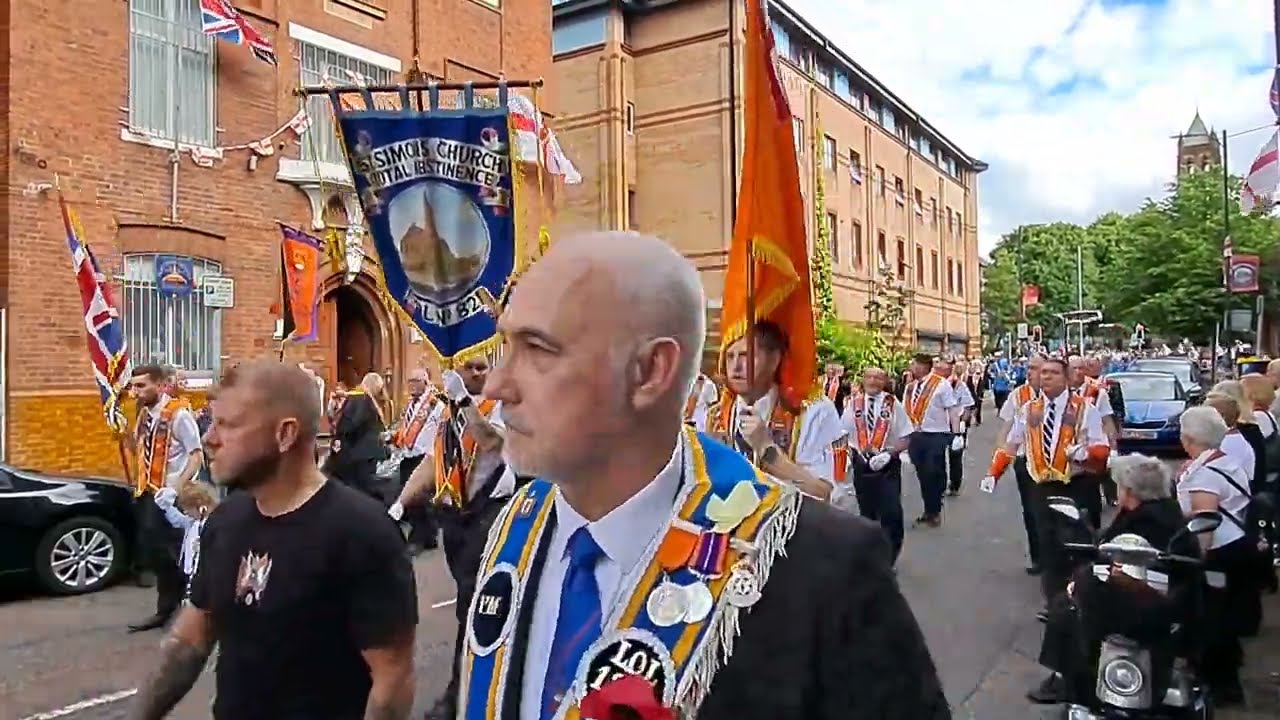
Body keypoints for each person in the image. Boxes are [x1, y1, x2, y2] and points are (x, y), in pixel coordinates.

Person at [456, 231, 948, 719]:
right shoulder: (501, 538)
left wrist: (771, 457)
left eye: (539, 349)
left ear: (650, 372)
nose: (498, 385)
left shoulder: (825, 572)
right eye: (505, 346)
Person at [126, 360, 418, 720]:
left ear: (285, 434)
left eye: (227, 425)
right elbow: (189, 640)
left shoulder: (362, 532)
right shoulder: (226, 520)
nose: (209, 438)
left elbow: (391, 680)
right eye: (212, 422)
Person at [1027, 455, 1201, 704]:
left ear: (1129, 491)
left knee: (1066, 607)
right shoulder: (1162, 511)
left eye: (1118, 485)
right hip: (1166, 601)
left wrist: (1084, 580)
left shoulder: (1145, 521)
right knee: (1071, 597)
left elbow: (1123, 562)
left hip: (1147, 604)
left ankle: (1071, 679)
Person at [394, 356, 512, 720]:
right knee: (467, 600)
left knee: (471, 604)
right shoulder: (444, 415)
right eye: (469, 368)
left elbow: (493, 442)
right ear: (455, 370)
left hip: (490, 515)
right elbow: (432, 461)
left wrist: (464, 402)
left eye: (482, 368)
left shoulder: (501, 406)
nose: (478, 374)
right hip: (454, 517)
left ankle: (461, 694)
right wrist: (399, 506)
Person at [984, 356, 1110, 609]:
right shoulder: (1029, 410)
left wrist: (1086, 453)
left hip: (1077, 484)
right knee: (1049, 544)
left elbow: (1102, 448)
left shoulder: (1086, 409)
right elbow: (1012, 443)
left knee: (1078, 544)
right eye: (1043, 373)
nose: (1046, 377)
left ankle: (1082, 597)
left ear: (1066, 379)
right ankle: (1055, 603)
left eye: (1053, 373)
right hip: (1042, 486)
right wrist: (994, 473)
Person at [1174, 407, 1256, 706]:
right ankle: (1221, 679)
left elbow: (1204, 522)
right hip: (1234, 546)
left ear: (1190, 436)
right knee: (1223, 618)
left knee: (1213, 621)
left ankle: (1219, 685)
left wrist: (1197, 561)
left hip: (1218, 552)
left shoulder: (1206, 474)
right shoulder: (1221, 461)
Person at [708, 321, 844, 500]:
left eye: (745, 356)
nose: (735, 367)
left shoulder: (813, 411)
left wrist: (768, 452)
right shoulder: (717, 417)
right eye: (729, 357)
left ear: (774, 360)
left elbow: (827, 494)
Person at [127, 364, 205, 633]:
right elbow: (138, 447)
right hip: (149, 492)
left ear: (160, 386)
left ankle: (182, 610)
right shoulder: (144, 413)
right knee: (158, 553)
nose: (135, 391)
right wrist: (120, 428)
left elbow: (196, 456)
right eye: (133, 386)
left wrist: (176, 487)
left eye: (141, 386)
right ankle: (170, 607)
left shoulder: (179, 415)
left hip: (173, 496)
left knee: (176, 554)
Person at [838, 366, 913, 563]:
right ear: (863, 380)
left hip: (887, 464)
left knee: (891, 513)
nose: (873, 381)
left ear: (885, 381)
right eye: (869, 377)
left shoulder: (892, 403)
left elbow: (906, 436)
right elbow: (842, 436)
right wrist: (844, 460)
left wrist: (890, 453)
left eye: (878, 378)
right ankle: (871, 558)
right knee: (866, 515)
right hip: (862, 464)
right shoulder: (854, 404)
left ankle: (890, 558)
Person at [903, 353, 962, 527]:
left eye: (914, 364)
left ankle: (934, 510)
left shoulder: (941, 385)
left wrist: (956, 434)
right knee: (922, 475)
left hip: (936, 435)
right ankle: (929, 509)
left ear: (923, 366)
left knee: (931, 472)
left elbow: (952, 410)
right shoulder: (910, 387)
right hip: (916, 436)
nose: (911, 368)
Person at [1001, 354, 1045, 574]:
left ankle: (1055, 554)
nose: (1030, 372)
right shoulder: (1018, 395)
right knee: (1030, 509)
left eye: (1035, 368)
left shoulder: (1057, 396)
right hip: (1025, 459)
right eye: (1029, 368)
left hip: (1051, 460)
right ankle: (1038, 557)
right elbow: (1006, 427)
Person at [393, 368, 442, 553]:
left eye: (416, 381)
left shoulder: (435, 403)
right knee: (412, 498)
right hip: (408, 454)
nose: (412, 384)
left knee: (419, 499)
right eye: (410, 381)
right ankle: (428, 536)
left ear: (426, 382)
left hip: (425, 456)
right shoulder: (411, 404)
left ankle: (419, 538)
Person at [152, 480, 218, 604]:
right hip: (187, 571)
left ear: (200, 505)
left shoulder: (211, 524)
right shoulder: (193, 521)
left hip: (199, 574)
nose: (186, 512)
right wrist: (166, 507)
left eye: (188, 509)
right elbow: (178, 521)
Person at [328, 372, 390, 499]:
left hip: (360, 453)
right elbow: (352, 423)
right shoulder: (362, 399)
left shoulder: (359, 398)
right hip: (362, 454)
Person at [943, 358, 976, 497]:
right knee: (937, 457)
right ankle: (939, 484)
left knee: (955, 455)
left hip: (956, 425)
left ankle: (955, 484)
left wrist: (963, 422)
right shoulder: (938, 384)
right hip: (940, 425)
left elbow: (968, 405)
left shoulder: (961, 386)